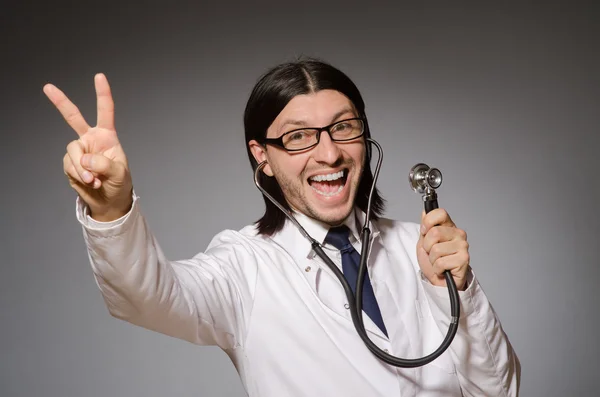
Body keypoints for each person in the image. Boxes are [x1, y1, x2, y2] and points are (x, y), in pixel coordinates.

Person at [44, 58, 520, 396]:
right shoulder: (244, 266)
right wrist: (112, 207)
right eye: (298, 137)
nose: (329, 152)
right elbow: (147, 298)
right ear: (262, 157)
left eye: (344, 127)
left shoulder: (416, 250)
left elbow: (501, 392)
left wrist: (458, 289)